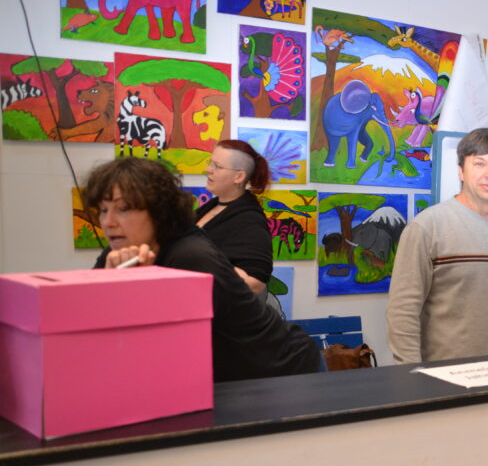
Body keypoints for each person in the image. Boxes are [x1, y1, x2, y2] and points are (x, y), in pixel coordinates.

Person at [83, 157, 321, 382]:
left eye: (123, 209)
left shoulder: (191, 256)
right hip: (231, 375)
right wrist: (109, 283)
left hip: (284, 370)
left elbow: (166, 343)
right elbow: (88, 317)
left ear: (158, 210)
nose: (108, 222)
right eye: (103, 210)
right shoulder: (119, 252)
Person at [386, 127, 488, 363]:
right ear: (461, 171)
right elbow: (403, 311)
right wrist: (410, 374)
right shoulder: (426, 228)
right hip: (443, 376)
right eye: (479, 163)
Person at [195, 140, 272, 296]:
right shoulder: (210, 207)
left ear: (239, 176)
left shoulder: (250, 221)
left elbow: (256, 283)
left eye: (217, 166)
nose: (208, 169)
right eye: (211, 163)